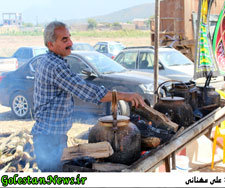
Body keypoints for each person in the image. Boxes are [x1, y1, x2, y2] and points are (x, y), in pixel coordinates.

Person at [31, 21, 145, 172]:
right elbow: (86, 91)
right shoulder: (54, 66)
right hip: (49, 139)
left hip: (51, 136)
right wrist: (124, 95)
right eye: (64, 40)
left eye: (69, 38)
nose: (70, 43)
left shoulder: (47, 60)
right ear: (51, 45)